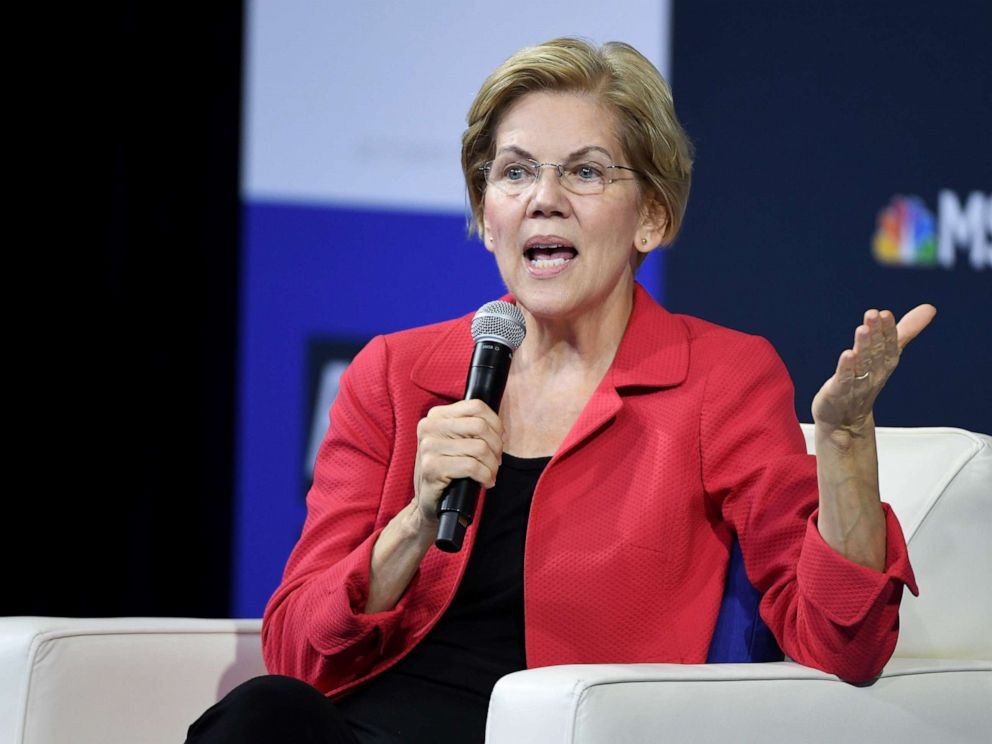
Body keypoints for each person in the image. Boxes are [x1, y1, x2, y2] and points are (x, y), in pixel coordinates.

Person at [187, 37, 934, 743]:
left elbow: (848, 643)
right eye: (514, 173)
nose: (543, 198)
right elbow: (294, 653)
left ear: (651, 217)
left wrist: (841, 442)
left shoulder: (719, 379)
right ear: (486, 217)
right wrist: (415, 521)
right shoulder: (393, 373)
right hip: (364, 728)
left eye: (584, 172)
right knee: (264, 714)